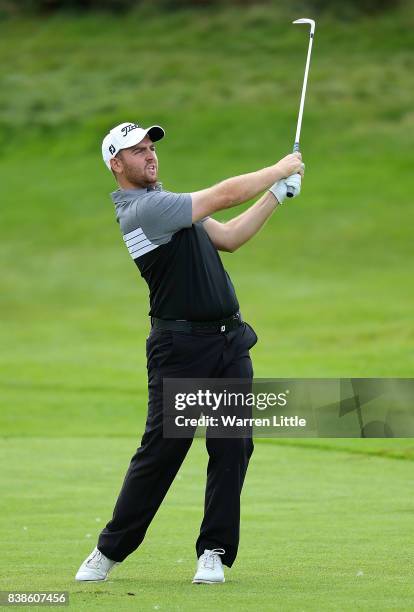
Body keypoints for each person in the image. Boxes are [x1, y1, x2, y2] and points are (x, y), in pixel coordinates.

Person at [75, 121, 304, 585]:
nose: (149, 154)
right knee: (163, 451)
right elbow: (222, 196)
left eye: (150, 146)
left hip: (228, 342)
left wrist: (277, 194)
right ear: (116, 165)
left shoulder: (170, 204)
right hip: (180, 349)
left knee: (232, 445)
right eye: (136, 151)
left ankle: (214, 552)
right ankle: (109, 549)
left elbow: (230, 236)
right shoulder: (143, 209)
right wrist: (276, 168)